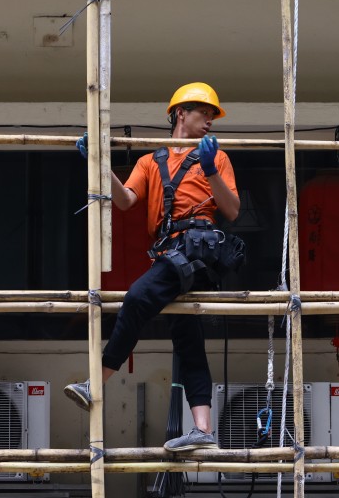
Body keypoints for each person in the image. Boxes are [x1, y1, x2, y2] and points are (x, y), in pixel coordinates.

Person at [65, 82, 240, 452]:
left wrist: (209, 169)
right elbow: (126, 200)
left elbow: (232, 210)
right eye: (204, 114)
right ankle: (203, 430)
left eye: (212, 116)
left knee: (139, 296)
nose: (210, 121)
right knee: (188, 342)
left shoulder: (217, 157)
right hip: (169, 254)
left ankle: (96, 383)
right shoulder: (151, 161)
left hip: (197, 251)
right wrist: (98, 163)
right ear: (180, 114)